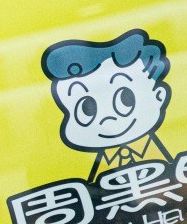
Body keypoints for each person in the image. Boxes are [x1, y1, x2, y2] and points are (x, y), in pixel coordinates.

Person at [42, 29, 173, 182]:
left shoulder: (161, 157)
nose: (106, 118)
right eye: (86, 109)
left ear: (159, 95)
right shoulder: (98, 168)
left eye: (125, 99)